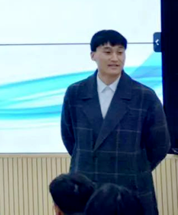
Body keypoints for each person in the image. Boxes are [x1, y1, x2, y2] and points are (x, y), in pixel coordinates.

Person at [61, 30, 170, 215]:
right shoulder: (76, 93)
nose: (115, 58)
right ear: (93, 55)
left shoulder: (144, 96)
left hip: (130, 184)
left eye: (120, 52)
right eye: (108, 51)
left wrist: (134, 166)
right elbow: (69, 137)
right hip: (88, 184)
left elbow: (160, 145)